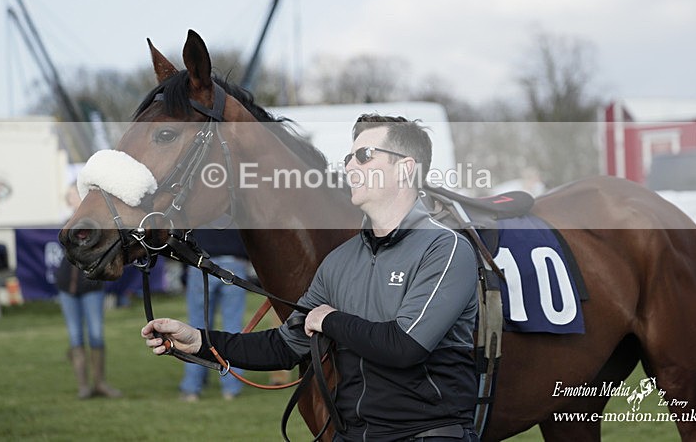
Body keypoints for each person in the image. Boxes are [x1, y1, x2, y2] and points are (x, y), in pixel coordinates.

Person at [142, 115, 479, 441]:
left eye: (364, 157)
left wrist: (329, 320)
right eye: (349, 157)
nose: (349, 167)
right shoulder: (340, 261)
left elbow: (405, 347)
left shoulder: (446, 248)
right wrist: (200, 341)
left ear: (406, 168)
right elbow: (285, 346)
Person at [56, 184, 122, 399]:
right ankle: (83, 386)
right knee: (75, 337)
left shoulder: (96, 222)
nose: (76, 198)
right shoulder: (67, 223)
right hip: (67, 287)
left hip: (92, 285)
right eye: (72, 196)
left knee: (96, 335)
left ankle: (100, 383)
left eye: (77, 194)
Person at [179, 227, 250, 402]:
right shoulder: (235, 203)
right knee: (233, 327)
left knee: (196, 328)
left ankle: (192, 387)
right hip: (234, 262)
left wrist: (183, 270)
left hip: (201, 262)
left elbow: (184, 236)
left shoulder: (198, 204)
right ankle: (231, 387)